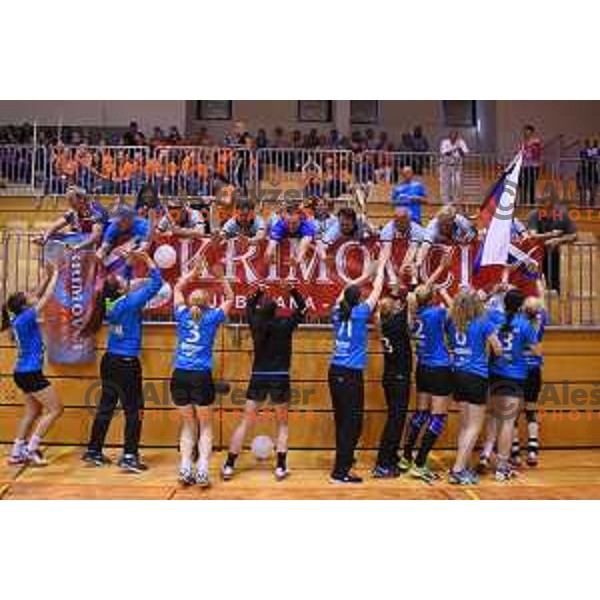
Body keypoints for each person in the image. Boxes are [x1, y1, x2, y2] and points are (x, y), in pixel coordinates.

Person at [81, 251, 163, 472]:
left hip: (109, 361)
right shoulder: (129, 303)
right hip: (127, 363)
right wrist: (146, 260)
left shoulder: (108, 302)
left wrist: (127, 265)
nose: (123, 279)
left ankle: (94, 451)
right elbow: (156, 284)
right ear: (120, 289)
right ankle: (129, 456)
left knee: (106, 406)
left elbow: (120, 283)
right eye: (121, 279)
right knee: (134, 409)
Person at [222, 282, 307, 482]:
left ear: (261, 310)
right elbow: (302, 308)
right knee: (282, 424)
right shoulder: (285, 325)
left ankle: (228, 466)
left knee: (245, 422)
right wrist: (292, 290)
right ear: (276, 310)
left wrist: (259, 291)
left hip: (259, 375)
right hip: (280, 377)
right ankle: (280, 467)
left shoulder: (256, 323)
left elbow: (248, 306)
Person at [170, 265, 234, 487]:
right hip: (200, 376)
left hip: (179, 375)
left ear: (190, 302)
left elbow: (177, 287)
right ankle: (203, 470)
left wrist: (191, 275)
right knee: (205, 425)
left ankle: (185, 468)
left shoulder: (182, 313)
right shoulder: (213, 317)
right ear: (208, 302)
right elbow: (230, 297)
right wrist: (219, 277)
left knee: (188, 424)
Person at [328, 264, 386, 483]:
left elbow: (345, 292)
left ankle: (344, 462)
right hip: (351, 374)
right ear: (359, 298)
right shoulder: (361, 313)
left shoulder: (337, 310)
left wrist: (363, 276)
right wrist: (379, 267)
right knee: (352, 424)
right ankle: (340, 472)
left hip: (335, 371)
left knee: (343, 421)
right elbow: (378, 289)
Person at [2, 263, 63, 466]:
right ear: (25, 305)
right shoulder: (27, 317)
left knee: (32, 412)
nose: (31, 294)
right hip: (30, 373)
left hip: (22, 372)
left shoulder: (20, 317)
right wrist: (55, 274)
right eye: (27, 296)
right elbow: (45, 297)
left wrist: (45, 276)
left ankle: (16, 452)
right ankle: (31, 449)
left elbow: (36, 294)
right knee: (56, 410)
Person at [400, 253, 454, 483]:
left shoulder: (414, 315)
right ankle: (420, 463)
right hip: (440, 368)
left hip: (422, 368)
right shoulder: (436, 312)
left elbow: (418, 294)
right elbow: (455, 308)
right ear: (432, 299)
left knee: (421, 413)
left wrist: (438, 270)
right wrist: (444, 290)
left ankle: (406, 456)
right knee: (438, 416)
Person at [480, 289, 541, 482]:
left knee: (493, 417)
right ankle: (502, 466)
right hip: (514, 377)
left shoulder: (493, 317)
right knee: (507, 422)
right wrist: (521, 349)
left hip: (494, 374)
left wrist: (492, 294)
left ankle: (486, 454)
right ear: (521, 306)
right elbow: (537, 352)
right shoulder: (524, 324)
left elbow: (482, 308)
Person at [446, 291, 501, 484]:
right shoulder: (483, 322)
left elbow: (451, 346)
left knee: (465, 425)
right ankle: (458, 469)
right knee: (474, 426)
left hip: (458, 374)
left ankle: (464, 467)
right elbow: (498, 348)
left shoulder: (453, 322)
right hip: (476, 376)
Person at [372, 283, 412, 478]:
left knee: (395, 419)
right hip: (398, 377)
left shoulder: (384, 322)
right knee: (396, 421)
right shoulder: (397, 323)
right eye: (397, 304)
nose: (399, 305)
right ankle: (382, 462)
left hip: (390, 376)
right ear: (394, 309)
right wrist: (412, 280)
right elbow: (412, 299)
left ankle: (390, 456)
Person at [512, 277, 547, 467]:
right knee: (531, 409)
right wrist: (539, 283)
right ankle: (533, 450)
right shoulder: (539, 321)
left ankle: (515, 451)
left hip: (518, 371)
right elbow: (543, 302)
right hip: (534, 370)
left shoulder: (517, 322)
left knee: (514, 412)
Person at [526, 195, 577, 293]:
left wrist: (558, 240)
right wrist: (551, 235)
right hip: (534, 255)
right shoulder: (534, 214)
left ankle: (554, 304)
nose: (540, 208)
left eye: (543, 205)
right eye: (539, 205)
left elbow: (573, 235)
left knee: (554, 284)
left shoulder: (563, 214)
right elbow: (533, 235)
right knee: (532, 284)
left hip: (552, 254)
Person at [35, 185, 108, 250]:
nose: (69, 204)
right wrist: (45, 237)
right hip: (83, 242)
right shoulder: (73, 212)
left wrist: (77, 247)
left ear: (81, 199)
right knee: (52, 236)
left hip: (101, 245)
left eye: (71, 200)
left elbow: (95, 237)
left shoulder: (96, 212)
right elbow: (56, 225)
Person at [378, 207, 432, 282]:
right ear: (395, 221)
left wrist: (414, 265)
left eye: (404, 222)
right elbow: (386, 254)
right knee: (383, 255)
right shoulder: (386, 230)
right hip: (393, 254)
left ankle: (415, 278)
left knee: (422, 249)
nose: (401, 224)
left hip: (416, 250)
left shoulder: (416, 229)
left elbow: (413, 249)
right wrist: (392, 276)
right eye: (398, 222)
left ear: (409, 220)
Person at [439, 131, 469, 203]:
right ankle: (446, 202)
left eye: (455, 136)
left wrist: (459, 148)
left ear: (457, 136)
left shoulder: (461, 142)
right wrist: (454, 149)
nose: (453, 138)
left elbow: (464, 153)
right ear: (449, 136)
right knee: (445, 184)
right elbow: (445, 153)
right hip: (445, 166)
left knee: (457, 183)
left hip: (457, 166)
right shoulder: (444, 142)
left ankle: (456, 201)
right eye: (452, 136)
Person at [518, 125, 543, 205]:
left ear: (531, 132)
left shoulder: (536, 142)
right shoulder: (522, 143)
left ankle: (532, 202)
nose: (526, 133)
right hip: (524, 166)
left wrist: (529, 150)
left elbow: (536, 154)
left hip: (533, 166)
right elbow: (520, 153)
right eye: (525, 132)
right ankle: (523, 201)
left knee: (532, 184)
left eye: (528, 132)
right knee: (523, 184)